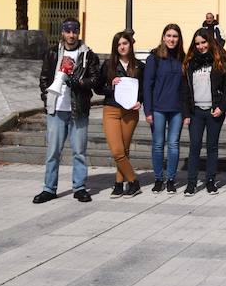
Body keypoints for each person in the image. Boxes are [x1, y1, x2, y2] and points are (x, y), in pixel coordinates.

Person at [33, 18, 100, 204]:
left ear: (79, 32)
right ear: (62, 32)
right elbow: (44, 78)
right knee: (53, 152)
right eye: (68, 31)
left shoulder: (88, 55)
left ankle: (79, 188)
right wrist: (46, 98)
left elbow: (95, 80)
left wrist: (79, 82)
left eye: (75, 31)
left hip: (79, 109)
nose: (71, 35)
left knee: (79, 151)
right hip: (57, 108)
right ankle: (49, 189)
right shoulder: (53, 52)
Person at [94, 31, 143, 199]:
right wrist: (111, 86)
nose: (122, 47)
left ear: (130, 45)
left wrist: (140, 101)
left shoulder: (139, 66)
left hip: (130, 112)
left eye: (125, 43)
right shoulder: (108, 65)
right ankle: (133, 181)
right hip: (111, 110)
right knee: (117, 151)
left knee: (124, 150)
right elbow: (97, 88)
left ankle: (118, 184)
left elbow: (144, 89)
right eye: (118, 44)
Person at [182, 28, 226, 196]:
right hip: (196, 112)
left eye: (203, 42)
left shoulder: (220, 60)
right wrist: (186, 113)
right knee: (194, 146)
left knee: (212, 147)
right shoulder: (189, 62)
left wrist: (222, 107)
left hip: (213, 111)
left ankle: (210, 181)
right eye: (197, 44)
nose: (201, 46)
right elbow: (185, 90)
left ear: (210, 42)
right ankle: (191, 183)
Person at [143, 24, 187, 194]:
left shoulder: (183, 58)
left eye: (175, 36)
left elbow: (185, 87)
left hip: (177, 108)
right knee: (158, 145)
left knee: (174, 144)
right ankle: (158, 179)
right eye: (168, 35)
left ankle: (171, 179)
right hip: (158, 108)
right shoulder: (154, 58)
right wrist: (148, 111)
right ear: (163, 37)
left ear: (179, 38)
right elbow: (147, 85)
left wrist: (186, 111)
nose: (171, 39)